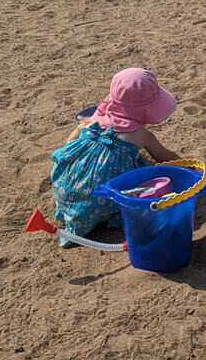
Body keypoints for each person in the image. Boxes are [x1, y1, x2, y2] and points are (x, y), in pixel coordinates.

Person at [50, 68, 180, 246]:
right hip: (100, 202)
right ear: (145, 110)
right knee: (141, 179)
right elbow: (167, 159)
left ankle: (74, 208)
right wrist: (187, 167)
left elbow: (67, 148)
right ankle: (104, 214)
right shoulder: (141, 136)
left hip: (67, 193)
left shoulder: (89, 123)